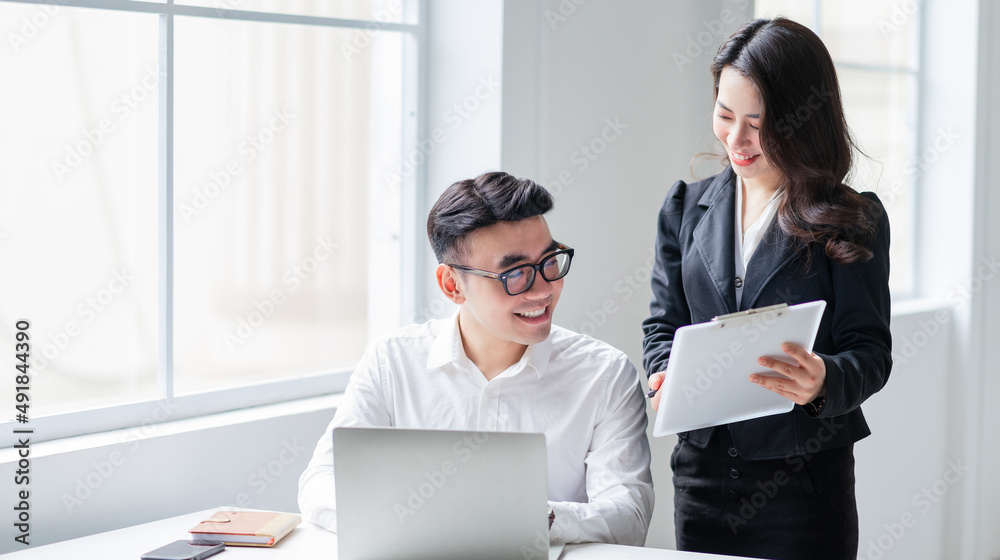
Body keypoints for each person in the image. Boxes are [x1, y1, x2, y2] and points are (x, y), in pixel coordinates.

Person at [642, 18, 891, 560]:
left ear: (804, 120)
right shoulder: (685, 207)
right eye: (725, 115)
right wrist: (663, 373)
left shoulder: (853, 218)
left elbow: (871, 353)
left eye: (758, 123)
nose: (736, 139)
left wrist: (824, 379)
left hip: (803, 488)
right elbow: (663, 325)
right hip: (702, 477)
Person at [299, 171, 654, 545]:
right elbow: (321, 482)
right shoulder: (392, 362)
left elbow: (629, 516)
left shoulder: (604, 374)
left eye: (550, 261)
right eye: (515, 274)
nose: (543, 289)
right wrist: (427, 518)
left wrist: (537, 518)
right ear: (452, 285)